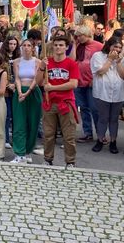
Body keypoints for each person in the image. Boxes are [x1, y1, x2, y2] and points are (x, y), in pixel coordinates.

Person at [40, 35, 79, 167]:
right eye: (56, 45)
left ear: (66, 47)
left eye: (61, 45)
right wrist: (41, 67)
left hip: (66, 103)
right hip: (49, 103)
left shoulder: (71, 64)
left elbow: (73, 84)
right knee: (48, 134)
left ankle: (70, 162)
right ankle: (47, 159)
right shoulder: (47, 63)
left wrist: (53, 87)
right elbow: (39, 81)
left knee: (69, 136)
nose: (58, 47)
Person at [89, 37, 124, 154]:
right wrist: (110, 60)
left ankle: (113, 142)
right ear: (109, 45)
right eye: (115, 46)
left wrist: (118, 62)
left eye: (119, 48)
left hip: (118, 93)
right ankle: (100, 140)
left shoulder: (122, 59)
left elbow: (123, 76)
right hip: (102, 92)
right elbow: (100, 71)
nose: (117, 49)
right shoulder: (98, 56)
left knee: (114, 119)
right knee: (103, 118)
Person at [10, 40, 42, 164]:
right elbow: (17, 78)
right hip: (20, 91)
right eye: (24, 45)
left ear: (33, 48)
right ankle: (19, 152)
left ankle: (28, 150)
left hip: (33, 92)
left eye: (29, 46)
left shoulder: (38, 62)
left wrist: (27, 92)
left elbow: (37, 79)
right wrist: (19, 92)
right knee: (19, 122)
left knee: (32, 122)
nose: (26, 48)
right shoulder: (17, 62)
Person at [71, 25, 103, 143]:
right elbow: (73, 60)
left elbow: (104, 63)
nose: (78, 38)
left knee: (94, 108)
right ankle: (87, 133)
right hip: (79, 80)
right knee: (83, 108)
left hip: (92, 81)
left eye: (80, 36)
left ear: (87, 35)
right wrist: (74, 45)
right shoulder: (78, 45)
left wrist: (95, 78)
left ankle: (101, 133)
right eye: (77, 36)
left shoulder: (99, 46)